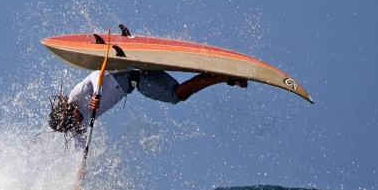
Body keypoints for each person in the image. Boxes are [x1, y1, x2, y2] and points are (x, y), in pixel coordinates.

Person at [48, 69, 248, 147]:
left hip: (137, 78)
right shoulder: (80, 127)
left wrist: (97, 94)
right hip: (138, 81)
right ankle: (223, 76)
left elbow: (94, 74)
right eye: (72, 125)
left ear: (67, 109)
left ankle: (224, 77)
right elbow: (81, 154)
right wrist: (77, 185)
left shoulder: (75, 96)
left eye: (72, 118)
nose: (76, 122)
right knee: (177, 92)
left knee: (175, 95)